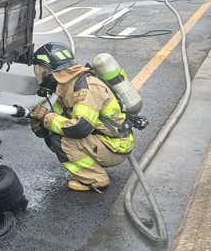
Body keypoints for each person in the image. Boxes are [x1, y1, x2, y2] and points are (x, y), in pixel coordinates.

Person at [29, 41, 134, 192]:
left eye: (42, 72)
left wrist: (47, 118)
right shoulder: (67, 87)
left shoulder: (85, 88)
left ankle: (97, 180)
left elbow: (80, 128)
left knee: (61, 140)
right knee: (55, 134)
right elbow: (54, 122)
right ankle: (93, 166)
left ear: (52, 72)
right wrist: (39, 122)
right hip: (105, 141)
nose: (41, 77)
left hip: (116, 146)